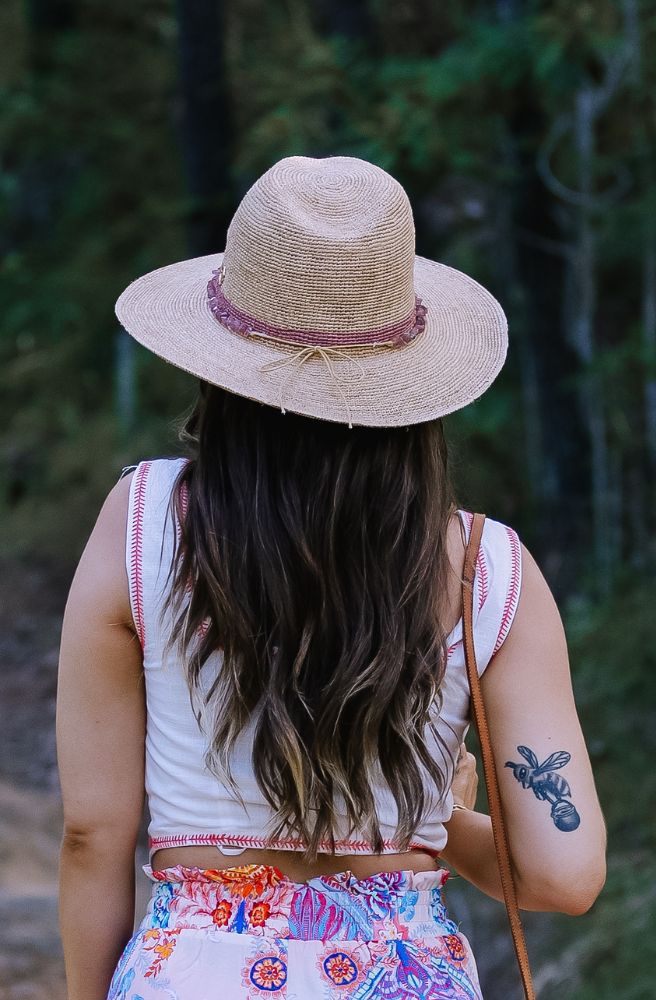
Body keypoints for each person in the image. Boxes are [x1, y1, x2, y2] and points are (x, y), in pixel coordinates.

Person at [56, 156, 606, 1000]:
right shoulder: (488, 569)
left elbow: (95, 834)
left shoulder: (143, 524)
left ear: (224, 358)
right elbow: (563, 875)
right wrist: (444, 817)